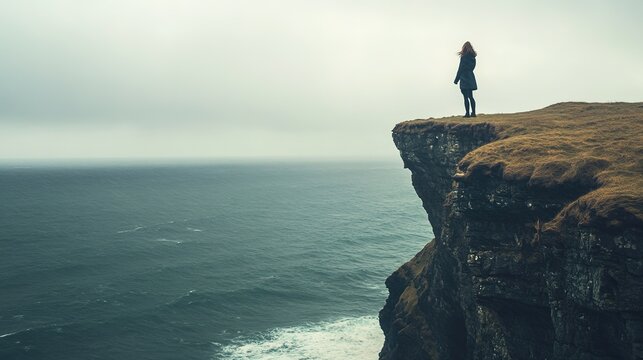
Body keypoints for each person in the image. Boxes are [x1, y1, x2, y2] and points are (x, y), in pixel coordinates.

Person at [454, 41, 478, 117]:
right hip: (470, 77)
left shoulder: (463, 57)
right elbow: (473, 67)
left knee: (465, 97)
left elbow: (460, 68)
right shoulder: (473, 57)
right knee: (471, 96)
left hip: (464, 78)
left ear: (464, 48)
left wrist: (456, 80)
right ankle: (473, 113)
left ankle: (467, 113)